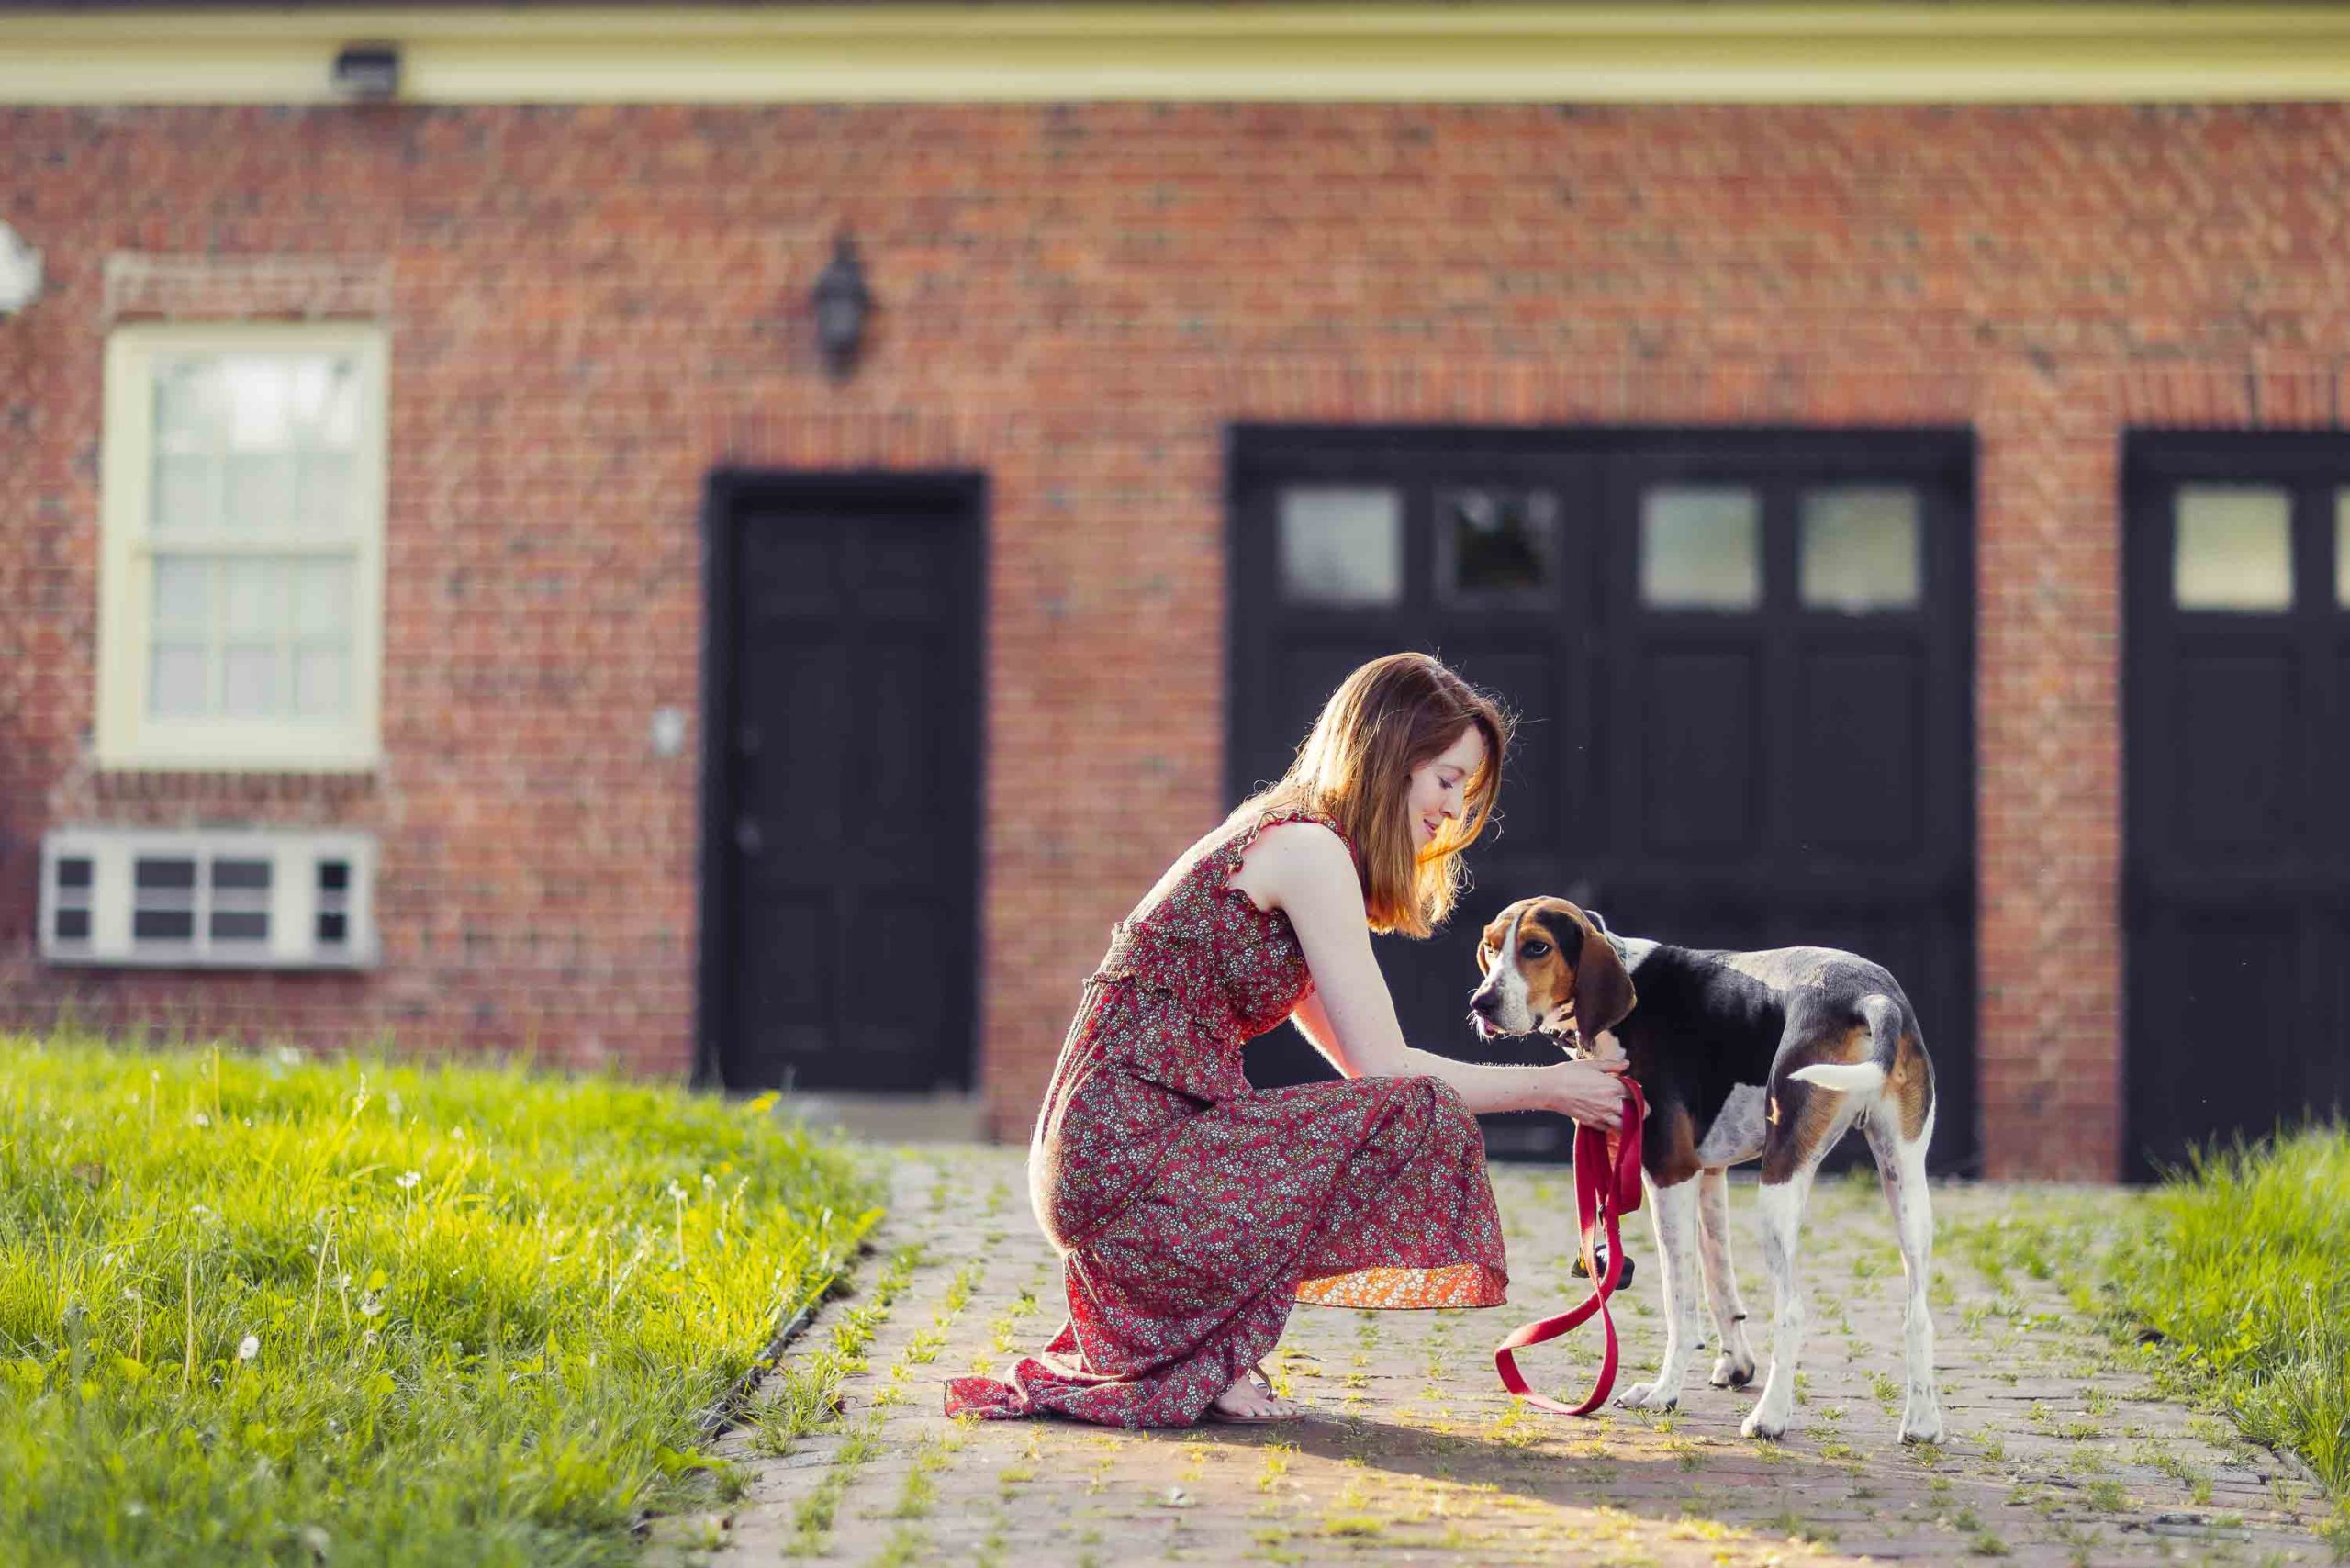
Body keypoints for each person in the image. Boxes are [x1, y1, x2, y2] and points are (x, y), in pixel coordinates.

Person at [945, 652, 1629, 1428]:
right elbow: (1391, 1075)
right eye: (1445, 778)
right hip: (1122, 1160)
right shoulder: (1308, 850)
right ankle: (1211, 1353)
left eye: (1463, 791)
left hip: (1110, 1159)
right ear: (1391, 756)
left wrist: (1557, 1088)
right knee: (1418, 1116)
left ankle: (1208, 1351)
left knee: (1401, 1113)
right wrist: (1556, 1088)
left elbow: (1372, 1072)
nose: (1450, 811)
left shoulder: (1293, 837)